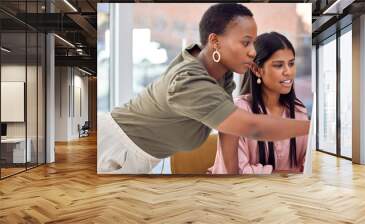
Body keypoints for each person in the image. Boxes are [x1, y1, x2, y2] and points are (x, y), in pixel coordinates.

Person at [97, 3, 310, 174]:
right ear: (215, 42)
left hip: (134, 155)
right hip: (113, 150)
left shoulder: (220, 74)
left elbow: (229, 129)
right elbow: (252, 127)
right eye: (246, 43)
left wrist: (232, 181)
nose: (253, 52)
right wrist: (312, 129)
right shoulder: (190, 81)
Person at [210, 32, 309, 174]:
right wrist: (290, 174)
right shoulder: (237, 112)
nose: (288, 72)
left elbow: (307, 167)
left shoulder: (300, 112)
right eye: (279, 65)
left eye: (291, 63)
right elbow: (238, 172)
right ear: (256, 70)